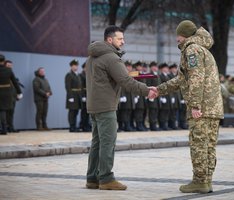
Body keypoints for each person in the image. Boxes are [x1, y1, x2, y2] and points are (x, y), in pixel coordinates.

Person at [149, 20, 223, 193]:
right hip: (213, 108)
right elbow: (182, 79)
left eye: (178, 35)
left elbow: (196, 79)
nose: (177, 39)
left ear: (185, 35)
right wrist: (159, 90)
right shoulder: (202, 49)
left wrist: (195, 106)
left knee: (198, 144)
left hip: (201, 108)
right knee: (209, 146)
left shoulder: (192, 50)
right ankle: (206, 180)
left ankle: (199, 181)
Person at [85, 25, 155, 190]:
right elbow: (126, 81)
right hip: (106, 107)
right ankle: (106, 179)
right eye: (120, 39)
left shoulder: (91, 57)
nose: (123, 42)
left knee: (97, 143)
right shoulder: (111, 58)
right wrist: (147, 90)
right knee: (108, 143)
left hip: (94, 106)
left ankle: (92, 178)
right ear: (110, 39)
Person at [0, 55, 22, 135]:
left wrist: (18, 93)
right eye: (8, 65)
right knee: (4, 111)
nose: (10, 67)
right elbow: (15, 83)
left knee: (6, 112)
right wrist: (20, 92)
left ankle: (7, 128)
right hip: (7, 94)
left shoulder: (9, 71)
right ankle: (5, 128)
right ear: (4, 62)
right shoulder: (8, 71)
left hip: (6, 94)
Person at [65, 59, 82, 132]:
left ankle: (74, 126)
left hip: (78, 95)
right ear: (71, 66)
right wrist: (70, 97)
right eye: (74, 65)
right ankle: (71, 126)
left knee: (76, 111)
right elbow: (68, 87)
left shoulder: (77, 75)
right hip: (72, 95)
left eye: (77, 65)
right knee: (72, 112)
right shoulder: (69, 75)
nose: (76, 67)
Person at [79, 62, 91, 132]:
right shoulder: (81, 75)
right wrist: (83, 96)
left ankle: (87, 124)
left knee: (88, 111)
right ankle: (83, 125)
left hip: (89, 95)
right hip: (84, 95)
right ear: (83, 68)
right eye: (86, 67)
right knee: (84, 111)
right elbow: (81, 86)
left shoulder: (89, 75)